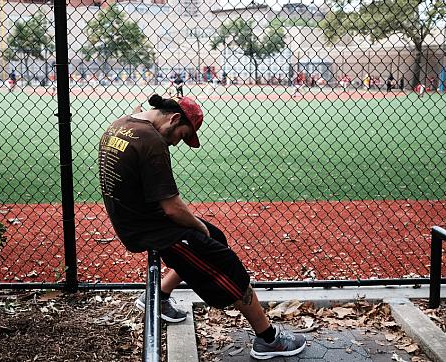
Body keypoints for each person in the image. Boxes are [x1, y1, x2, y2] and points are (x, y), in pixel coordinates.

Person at [98, 94, 307, 360]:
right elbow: (172, 207)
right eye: (182, 135)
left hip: (133, 217)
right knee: (226, 263)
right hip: (148, 228)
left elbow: (139, 111)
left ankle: (160, 295)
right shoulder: (152, 141)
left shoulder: (124, 123)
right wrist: (198, 226)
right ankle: (268, 339)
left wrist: (202, 230)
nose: (177, 142)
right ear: (174, 119)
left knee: (214, 237)